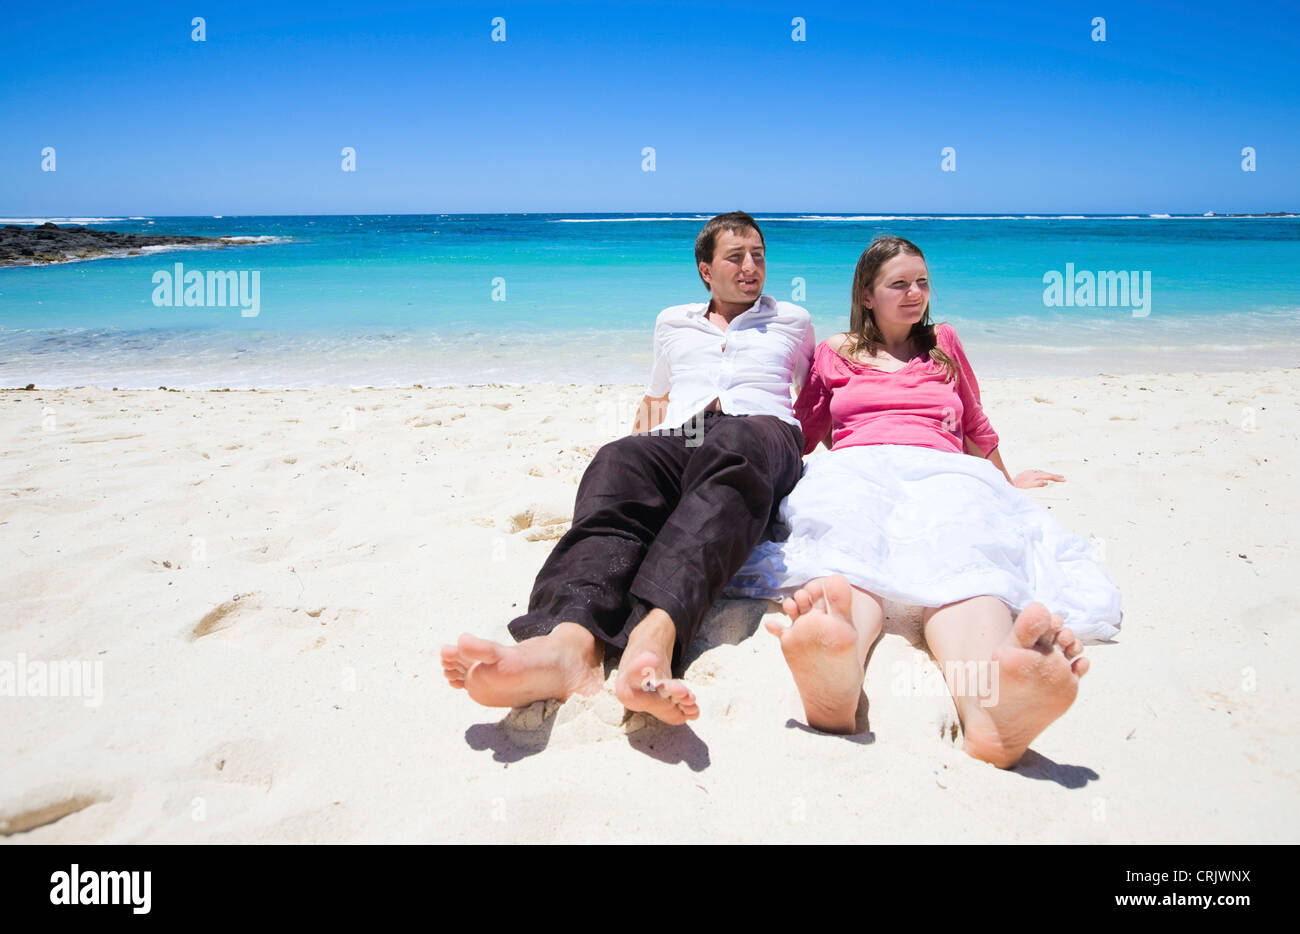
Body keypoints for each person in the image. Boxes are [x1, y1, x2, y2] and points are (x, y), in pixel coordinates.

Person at [728, 235, 1122, 768]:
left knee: (965, 552)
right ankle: (836, 670)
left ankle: (989, 714)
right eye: (899, 284)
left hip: (943, 466)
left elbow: (974, 418)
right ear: (867, 295)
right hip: (855, 464)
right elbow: (805, 428)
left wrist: (1004, 478)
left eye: (922, 282)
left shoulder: (944, 343)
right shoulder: (834, 353)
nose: (915, 294)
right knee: (848, 549)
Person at [442, 212, 815, 725]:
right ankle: (570, 643)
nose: (751, 266)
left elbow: (816, 397)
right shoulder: (672, 322)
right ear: (706, 270)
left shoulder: (793, 321)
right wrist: (644, 446)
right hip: (686, 431)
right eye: (736, 256)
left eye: (759, 255)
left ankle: (655, 632)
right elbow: (657, 393)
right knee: (619, 458)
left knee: (734, 442)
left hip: (764, 432)